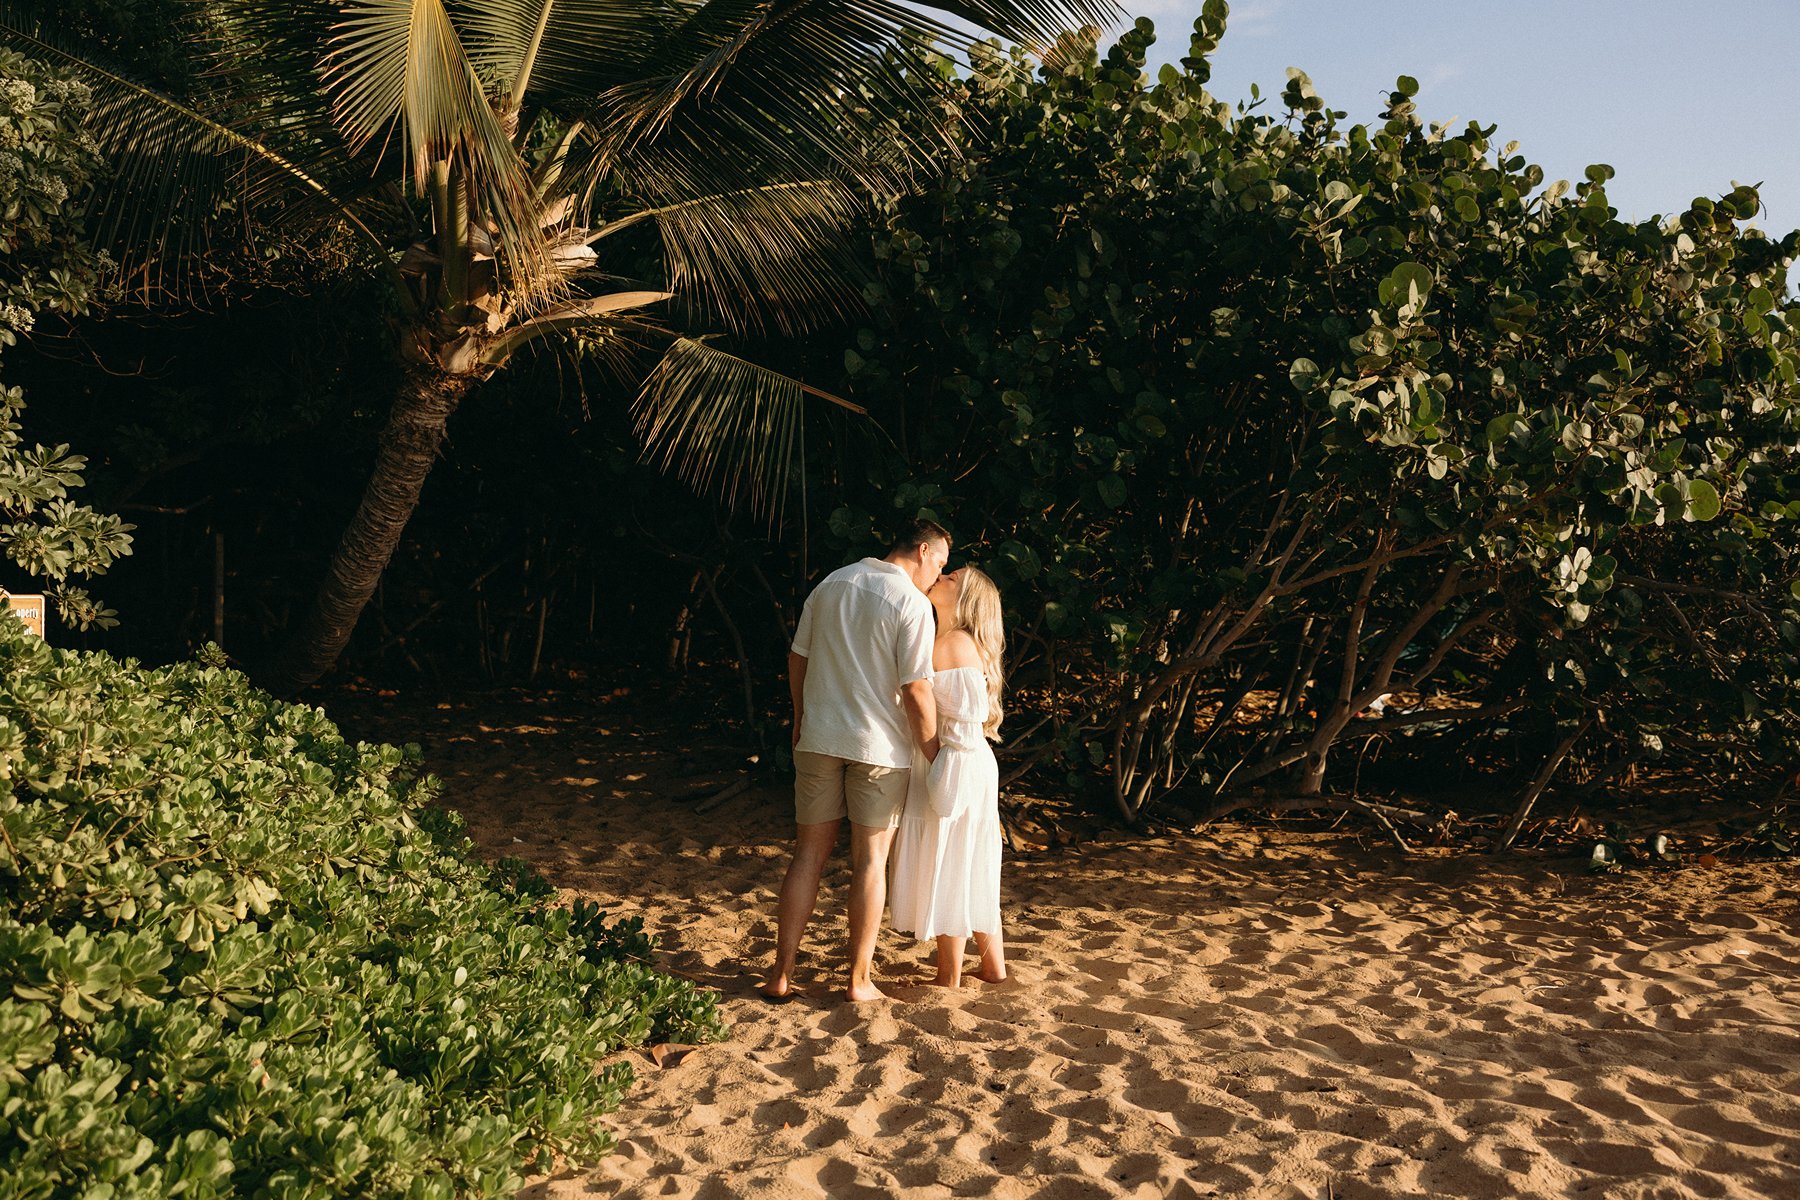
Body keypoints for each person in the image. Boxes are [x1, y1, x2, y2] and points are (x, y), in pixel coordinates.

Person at [760, 518, 951, 1003]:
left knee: (808, 855)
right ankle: (858, 979)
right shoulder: (910, 602)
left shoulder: (831, 583)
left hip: (820, 736)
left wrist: (801, 716)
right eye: (941, 564)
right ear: (923, 550)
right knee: (870, 862)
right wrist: (935, 754)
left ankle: (782, 972)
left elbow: (796, 658)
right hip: (879, 748)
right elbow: (915, 688)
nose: (937, 576)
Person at [888, 565, 1008, 989]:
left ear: (965, 599)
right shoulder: (956, 642)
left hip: (954, 760)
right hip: (966, 758)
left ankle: (949, 975)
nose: (940, 578)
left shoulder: (950, 643)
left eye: (951, 578)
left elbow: (962, 717)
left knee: (953, 857)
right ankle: (993, 967)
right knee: (971, 858)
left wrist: (937, 759)